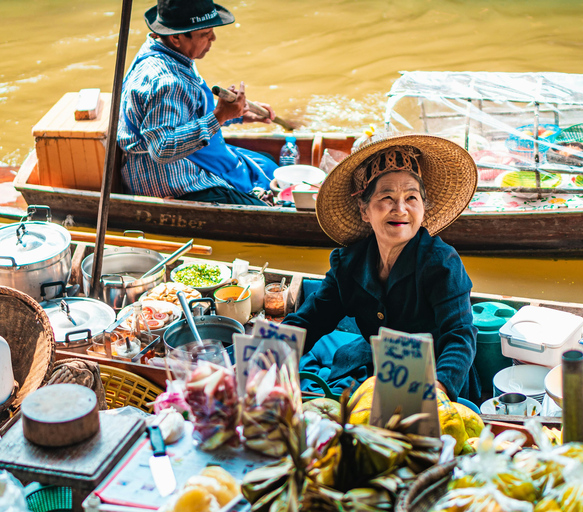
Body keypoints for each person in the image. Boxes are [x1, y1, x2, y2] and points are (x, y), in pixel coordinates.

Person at [282, 134, 481, 402]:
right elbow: (310, 319)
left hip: (437, 381)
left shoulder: (441, 263)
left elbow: (459, 336)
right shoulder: (349, 263)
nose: (400, 209)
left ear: (422, 208)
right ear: (365, 211)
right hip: (382, 373)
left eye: (411, 197)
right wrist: (270, 353)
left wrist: (438, 389)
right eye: (387, 197)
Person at [118, 0, 278, 205]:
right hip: (166, 177)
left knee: (267, 162)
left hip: (182, 159)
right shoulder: (167, 82)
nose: (213, 38)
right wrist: (219, 116)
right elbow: (161, 148)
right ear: (176, 37)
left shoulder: (161, 50)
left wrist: (237, 116)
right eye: (205, 34)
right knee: (262, 207)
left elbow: (186, 111)